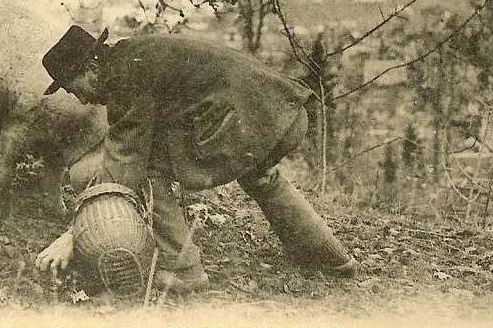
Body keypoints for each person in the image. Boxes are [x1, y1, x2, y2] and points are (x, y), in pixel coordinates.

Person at [34, 26, 359, 293]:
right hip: (283, 116)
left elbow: (124, 164)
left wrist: (76, 233)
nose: (80, 98)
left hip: (250, 127)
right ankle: (331, 256)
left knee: (147, 171)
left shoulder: (124, 77)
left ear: (90, 68)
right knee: (261, 175)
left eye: (72, 87)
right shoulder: (134, 54)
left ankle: (184, 271)